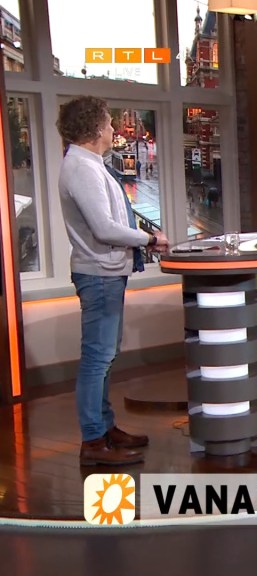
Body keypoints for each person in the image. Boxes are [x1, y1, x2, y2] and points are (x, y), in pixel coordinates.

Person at [56, 96, 168, 466]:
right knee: (97, 358)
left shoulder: (90, 164)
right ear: (93, 129)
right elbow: (104, 229)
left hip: (106, 273)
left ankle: (104, 428)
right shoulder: (81, 168)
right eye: (107, 123)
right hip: (98, 274)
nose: (112, 129)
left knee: (104, 356)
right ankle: (93, 440)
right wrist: (149, 239)